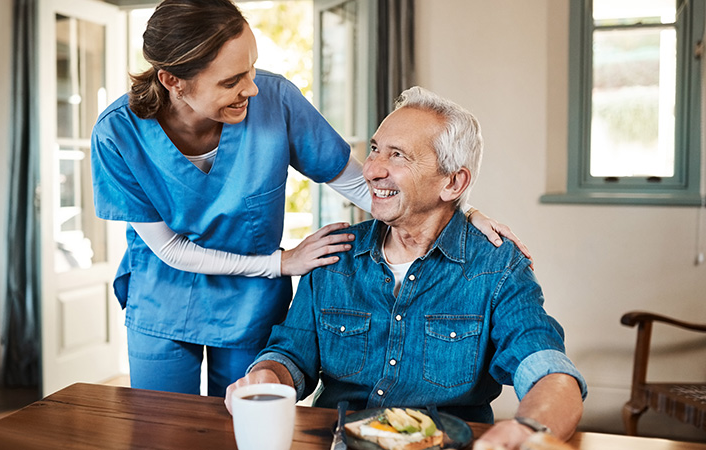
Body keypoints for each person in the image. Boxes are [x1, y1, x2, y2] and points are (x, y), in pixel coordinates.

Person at [90, 0, 528, 398]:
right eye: (231, 80)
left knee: (245, 422)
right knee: (161, 430)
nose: (252, 89)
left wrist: (458, 211)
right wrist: (281, 263)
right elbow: (169, 248)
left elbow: (366, 184)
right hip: (164, 295)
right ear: (173, 81)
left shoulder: (276, 100)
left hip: (250, 302)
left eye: (252, 69)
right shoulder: (117, 133)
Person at [224, 87, 586, 450]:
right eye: (375, 149)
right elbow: (291, 354)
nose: (370, 169)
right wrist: (265, 377)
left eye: (397, 156)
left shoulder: (497, 266)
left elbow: (547, 370)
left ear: (453, 182)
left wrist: (529, 428)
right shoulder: (335, 255)